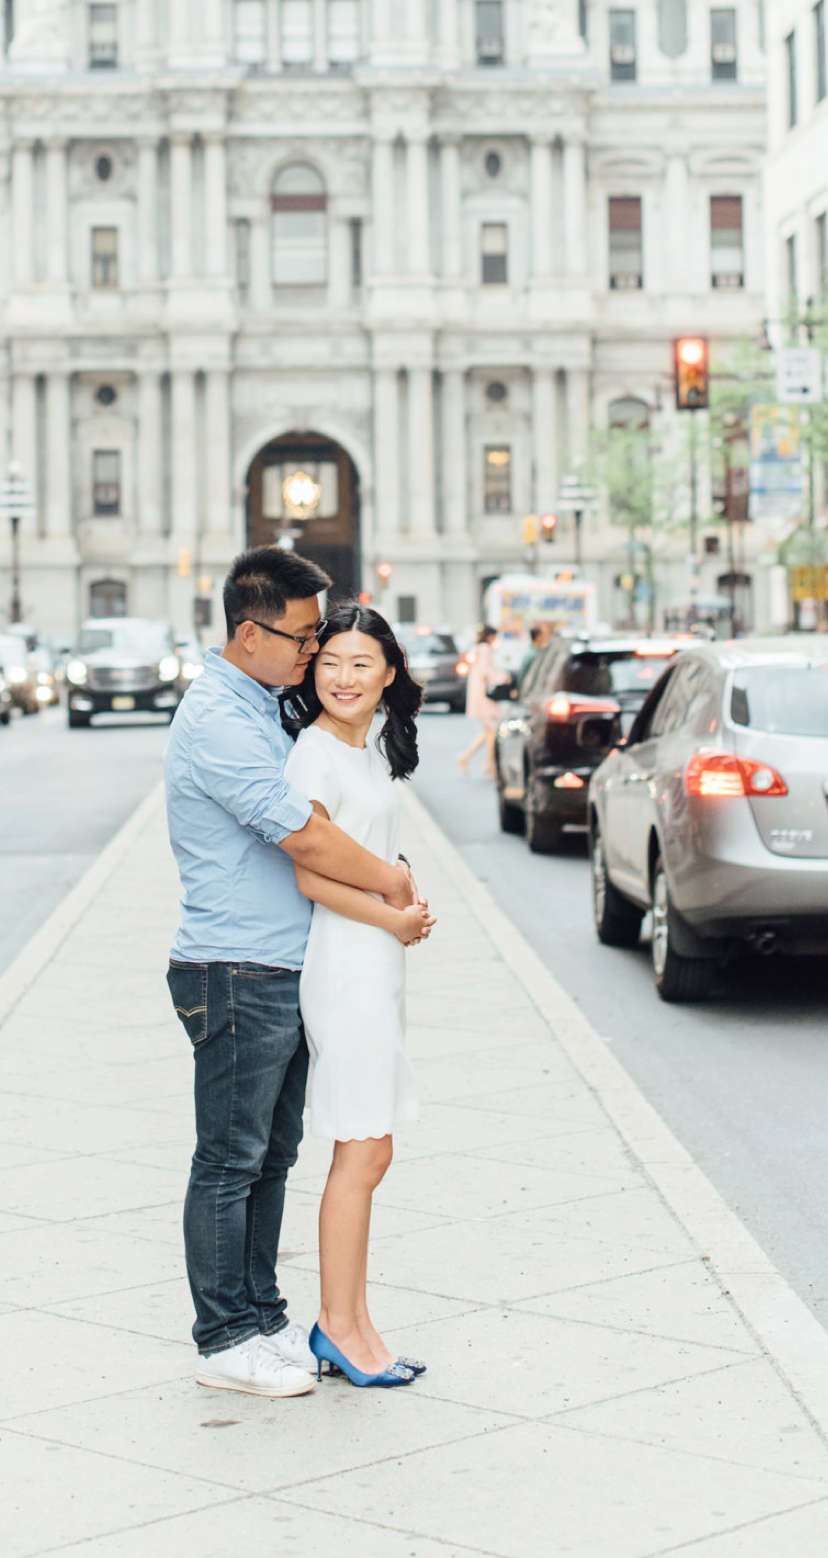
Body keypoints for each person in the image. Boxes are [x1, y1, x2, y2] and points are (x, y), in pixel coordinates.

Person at [164, 549, 423, 1400]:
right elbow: (305, 838)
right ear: (250, 632)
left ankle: (264, 1313)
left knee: (272, 1154)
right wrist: (389, 881)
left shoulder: (265, 704)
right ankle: (224, 1335)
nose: (315, 653)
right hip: (234, 962)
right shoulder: (219, 718)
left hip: (280, 961)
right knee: (231, 1158)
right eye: (306, 636)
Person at [282, 603, 434, 1387]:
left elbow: (370, 850)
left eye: (361, 663)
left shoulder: (369, 747)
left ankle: (356, 1321)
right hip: (345, 963)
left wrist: (403, 909)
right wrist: (392, 916)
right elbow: (310, 873)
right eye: (330, 660)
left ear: (388, 674)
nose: (343, 677)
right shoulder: (312, 751)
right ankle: (337, 1327)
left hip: (376, 958)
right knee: (361, 1146)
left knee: (372, 1145)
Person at [456, 623, 503, 778]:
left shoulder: (478, 648)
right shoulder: (485, 649)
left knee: (489, 732)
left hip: (479, 694)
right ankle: (489, 765)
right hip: (485, 697)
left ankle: (473, 759)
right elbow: (486, 672)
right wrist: (503, 677)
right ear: (490, 636)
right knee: (491, 732)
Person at [515, 619, 553, 694]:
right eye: (543, 635)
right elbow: (524, 674)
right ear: (538, 637)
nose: (545, 637)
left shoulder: (536, 652)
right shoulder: (533, 655)